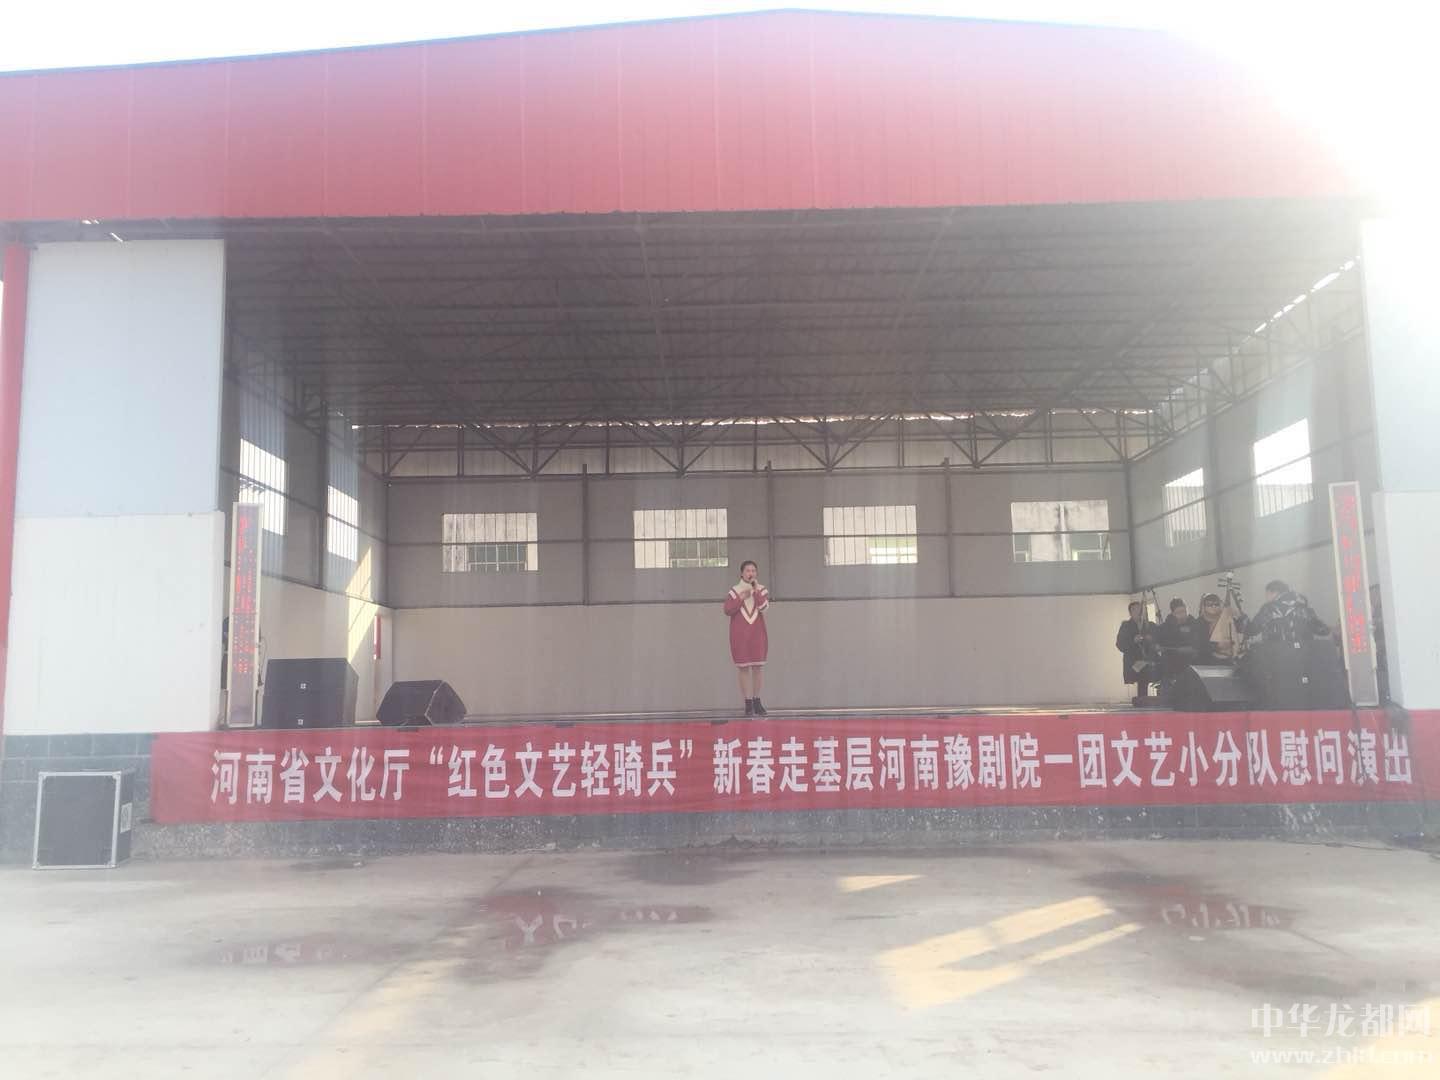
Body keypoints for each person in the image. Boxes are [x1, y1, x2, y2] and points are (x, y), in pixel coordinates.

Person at [723, 560, 770, 716]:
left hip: (757, 633)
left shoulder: (761, 589)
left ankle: (757, 700)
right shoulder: (734, 591)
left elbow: (764, 608)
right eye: (748, 570)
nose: (751, 573)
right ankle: (748, 703)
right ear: (742, 573)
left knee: (757, 667)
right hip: (740, 634)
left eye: (753, 570)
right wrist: (741, 597)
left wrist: (755, 591)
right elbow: (727, 610)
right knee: (743, 668)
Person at [1248, 579, 1331, 644]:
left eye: (1267, 594)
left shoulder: (1268, 609)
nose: (1266, 598)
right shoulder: (1303, 608)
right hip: (1302, 656)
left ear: (1274, 593)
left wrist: (1242, 618)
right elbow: (1323, 631)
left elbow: (1251, 630)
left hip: (1276, 656)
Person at [1156, 597, 1206, 702]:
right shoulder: (1165, 626)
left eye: (1184, 611)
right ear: (1172, 613)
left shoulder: (1194, 624)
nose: (1182, 615)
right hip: (1170, 663)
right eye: (1178, 613)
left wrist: (1192, 648)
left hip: (1190, 662)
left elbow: (1199, 643)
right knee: (1168, 694)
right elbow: (1159, 642)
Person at [1115, 601, 1154, 706]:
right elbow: (1120, 644)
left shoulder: (1148, 625)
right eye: (1135, 610)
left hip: (1147, 659)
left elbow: (1156, 639)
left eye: (1140, 610)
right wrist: (1133, 641)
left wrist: (1150, 639)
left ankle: (1144, 701)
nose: (1139, 612)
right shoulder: (1126, 626)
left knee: (1147, 677)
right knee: (1142, 677)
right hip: (1133, 661)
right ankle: (1142, 702)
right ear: (1130, 612)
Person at [1197, 592, 1241, 662]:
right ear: (1204, 607)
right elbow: (1198, 645)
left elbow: (1244, 630)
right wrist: (1217, 646)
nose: (1213, 606)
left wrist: (1239, 616)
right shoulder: (1198, 623)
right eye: (1209, 605)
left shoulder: (1226, 617)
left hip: (1229, 657)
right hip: (1207, 659)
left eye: (1216, 604)